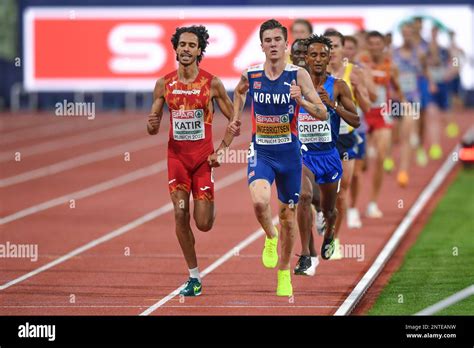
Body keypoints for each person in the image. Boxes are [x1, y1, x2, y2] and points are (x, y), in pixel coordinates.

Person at [233, 19, 327, 296]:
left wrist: (302, 101)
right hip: (261, 150)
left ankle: (284, 272)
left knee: (287, 216)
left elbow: (322, 112)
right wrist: (236, 118)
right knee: (260, 201)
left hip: (289, 155)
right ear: (261, 45)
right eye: (268, 40)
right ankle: (270, 237)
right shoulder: (251, 74)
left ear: (285, 44)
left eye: (277, 40)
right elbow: (238, 93)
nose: (273, 44)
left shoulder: (298, 75)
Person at [147, 25, 240, 297]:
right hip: (176, 159)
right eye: (182, 45)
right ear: (175, 49)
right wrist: (152, 124)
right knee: (179, 212)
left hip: (202, 161)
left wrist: (221, 150)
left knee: (203, 224)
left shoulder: (212, 84)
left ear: (200, 51)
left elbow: (234, 121)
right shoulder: (164, 84)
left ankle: (209, 205)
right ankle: (194, 277)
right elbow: (153, 126)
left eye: (192, 45)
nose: (186, 49)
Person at [294, 34, 359, 274]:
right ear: (306, 58)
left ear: (329, 57)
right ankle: (305, 256)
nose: (318, 59)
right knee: (303, 196)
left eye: (323, 54)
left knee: (329, 210)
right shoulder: (296, 85)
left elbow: (357, 120)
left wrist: (332, 106)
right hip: (304, 154)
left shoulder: (339, 86)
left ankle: (330, 233)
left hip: (330, 156)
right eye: (313, 55)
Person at [324, 30, 369, 258]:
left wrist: (360, 93)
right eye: (327, 46)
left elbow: (368, 105)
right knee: (318, 193)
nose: (332, 50)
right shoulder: (313, 74)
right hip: (321, 139)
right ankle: (320, 214)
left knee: (341, 193)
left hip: (346, 137)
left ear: (343, 48)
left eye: (335, 46)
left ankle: (334, 239)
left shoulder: (354, 72)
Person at [359, 31, 404, 218]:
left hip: (382, 115)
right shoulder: (360, 64)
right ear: (367, 46)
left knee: (381, 156)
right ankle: (356, 200)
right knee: (360, 165)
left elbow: (398, 89)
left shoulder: (390, 67)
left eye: (379, 43)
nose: (375, 47)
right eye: (372, 44)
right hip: (362, 114)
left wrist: (402, 105)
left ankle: (373, 203)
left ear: (383, 46)